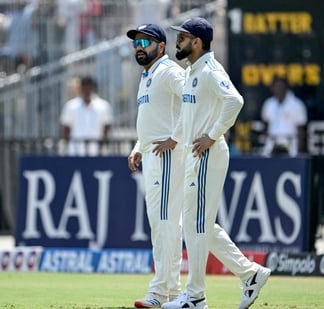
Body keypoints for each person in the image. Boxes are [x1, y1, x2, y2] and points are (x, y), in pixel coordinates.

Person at [156, 17, 270, 309]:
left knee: (196, 224)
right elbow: (191, 115)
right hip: (197, 154)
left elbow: (235, 100)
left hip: (208, 153)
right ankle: (250, 273)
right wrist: (175, 138)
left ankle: (195, 297)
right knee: (200, 224)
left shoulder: (209, 69)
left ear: (197, 42)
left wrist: (212, 135)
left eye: (182, 38)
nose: (177, 43)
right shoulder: (193, 70)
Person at [125, 24, 186, 308]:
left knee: (165, 224)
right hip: (152, 155)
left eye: (145, 41)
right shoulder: (148, 75)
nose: (139, 46)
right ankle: (172, 293)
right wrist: (139, 146)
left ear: (161, 46)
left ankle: (160, 292)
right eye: (136, 41)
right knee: (162, 225)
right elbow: (152, 119)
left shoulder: (169, 71)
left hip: (168, 156)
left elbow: (194, 100)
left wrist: (177, 137)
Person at [60, 75, 113, 156]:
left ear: (93, 87)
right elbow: (66, 127)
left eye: (89, 86)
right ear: (81, 88)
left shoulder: (103, 106)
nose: (87, 89)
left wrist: (102, 144)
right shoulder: (71, 106)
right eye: (84, 86)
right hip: (75, 151)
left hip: (96, 151)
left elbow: (107, 126)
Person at [260, 76, 307, 156]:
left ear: (286, 88)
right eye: (276, 86)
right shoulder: (268, 104)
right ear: (272, 88)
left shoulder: (297, 105)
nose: (279, 89)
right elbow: (265, 125)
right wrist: (266, 141)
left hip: (291, 146)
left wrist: (299, 153)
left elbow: (301, 131)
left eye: (281, 86)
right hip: (271, 146)